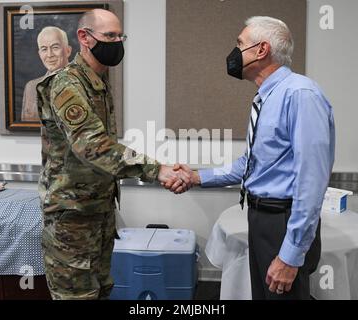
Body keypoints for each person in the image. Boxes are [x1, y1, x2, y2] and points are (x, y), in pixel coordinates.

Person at [167, 16, 335, 300]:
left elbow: (312, 183)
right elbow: (251, 165)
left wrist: (291, 256)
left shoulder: (300, 95)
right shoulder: (267, 97)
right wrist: (196, 177)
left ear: (261, 50)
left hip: (283, 221)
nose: (234, 52)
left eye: (240, 44)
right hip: (261, 219)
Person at [36, 9, 190, 300]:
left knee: (102, 290)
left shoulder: (97, 83)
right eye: (110, 36)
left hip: (98, 211)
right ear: (85, 38)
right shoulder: (66, 84)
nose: (117, 42)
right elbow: (92, 144)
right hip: (72, 218)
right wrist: (157, 170)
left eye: (120, 36)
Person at [21, 26, 72, 122]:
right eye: (44, 49)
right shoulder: (31, 88)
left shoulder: (81, 82)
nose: (49, 54)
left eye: (55, 47)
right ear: (39, 53)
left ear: (68, 51)